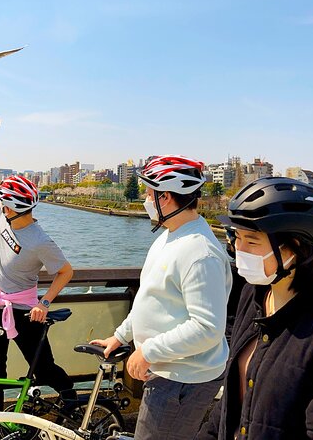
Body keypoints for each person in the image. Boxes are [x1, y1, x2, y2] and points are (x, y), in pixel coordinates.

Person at [199, 177, 313, 440]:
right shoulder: (253, 296)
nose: (238, 249)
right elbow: (231, 407)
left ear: (294, 248)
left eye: (252, 241)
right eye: (236, 237)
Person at [91, 155, 232, 440]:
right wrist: (121, 336)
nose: (145, 199)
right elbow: (151, 298)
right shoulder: (170, 237)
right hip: (168, 371)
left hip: (183, 379)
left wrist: (148, 351)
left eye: (148, 193)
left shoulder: (199, 253)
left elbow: (207, 328)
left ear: (165, 197)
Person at [0, 145, 75, 440]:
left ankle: (71, 400)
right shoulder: (3, 215)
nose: (0, 206)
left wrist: (44, 302)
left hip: (24, 312)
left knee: (43, 368)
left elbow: (66, 271)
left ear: (14, 207)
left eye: (4, 204)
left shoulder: (40, 240)